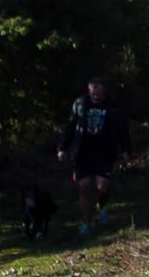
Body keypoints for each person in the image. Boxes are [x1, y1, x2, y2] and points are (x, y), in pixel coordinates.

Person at [56, 76, 132, 238]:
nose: (95, 96)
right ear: (88, 90)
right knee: (84, 186)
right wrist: (62, 148)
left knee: (102, 186)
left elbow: (122, 128)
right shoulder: (80, 105)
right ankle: (86, 223)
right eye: (92, 93)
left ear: (104, 90)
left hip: (105, 151)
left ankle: (101, 206)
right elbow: (70, 126)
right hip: (83, 152)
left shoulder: (113, 106)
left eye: (98, 93)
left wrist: (126, 149)